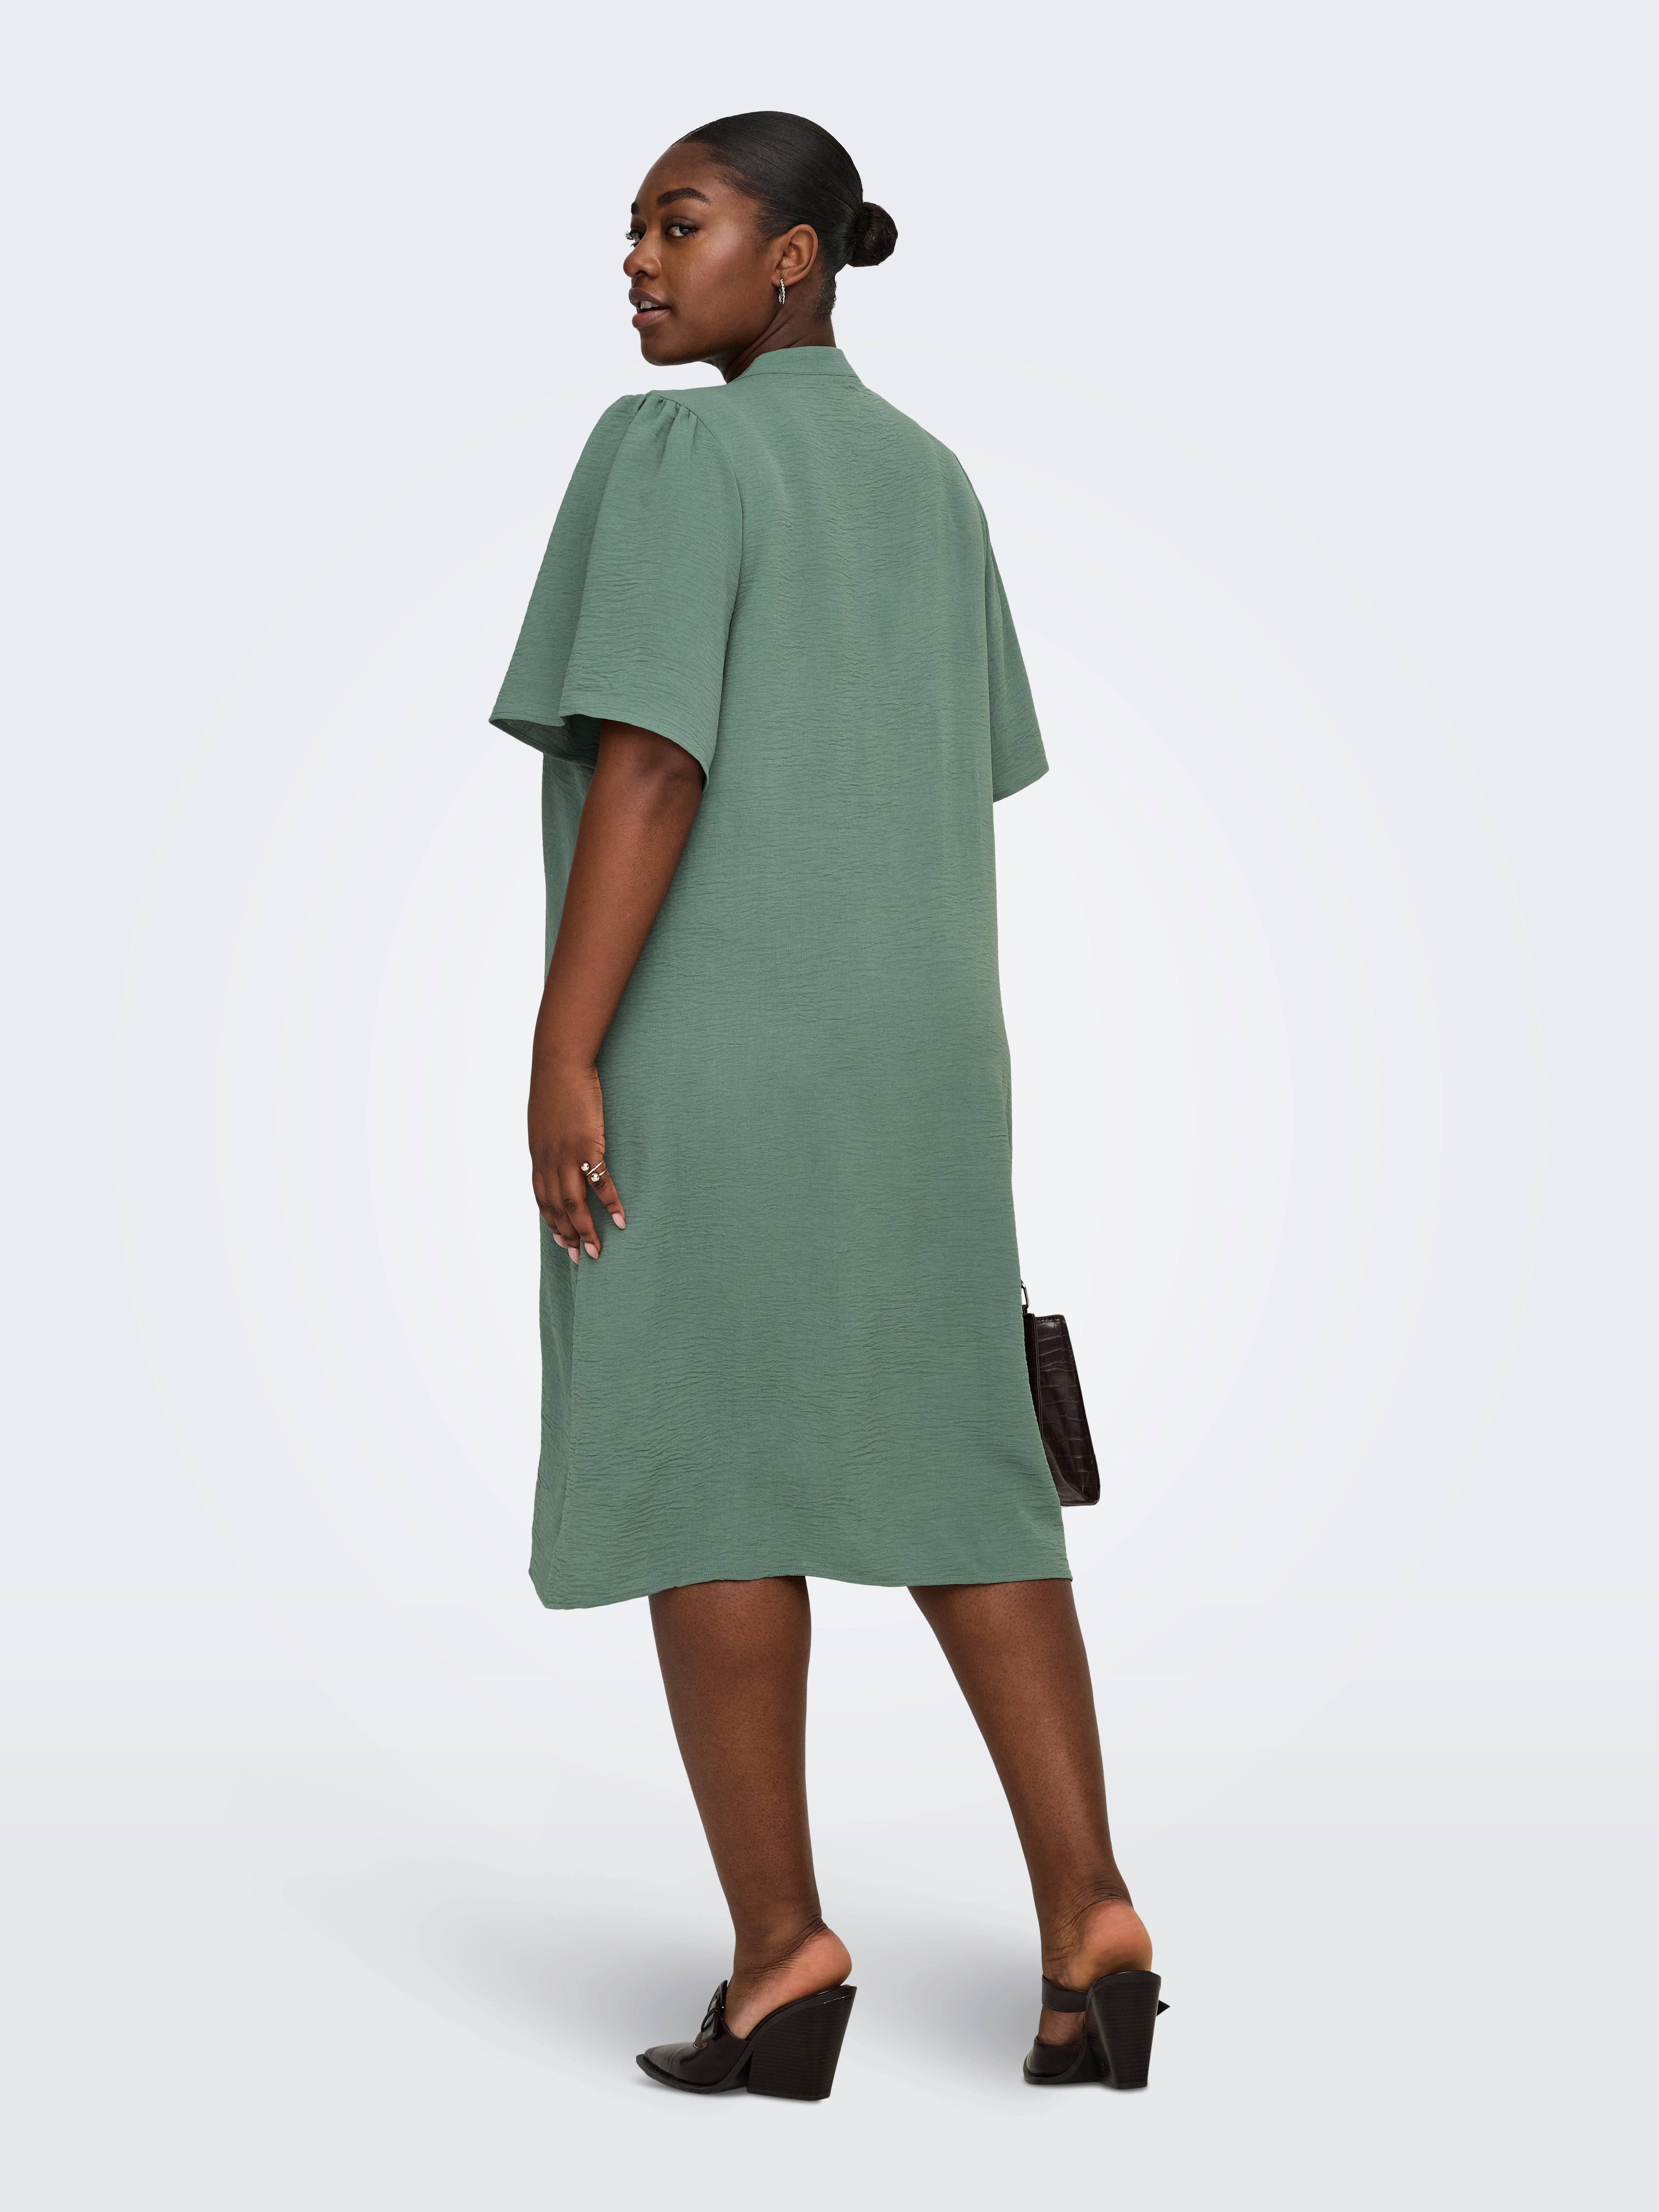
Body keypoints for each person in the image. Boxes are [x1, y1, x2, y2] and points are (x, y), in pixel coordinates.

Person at [489, 110, 1162, 2099]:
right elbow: (960, 765)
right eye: (630, 229)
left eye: (677, 223)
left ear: (790, 258)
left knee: (707, 1456)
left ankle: (781, 1963)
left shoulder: (676, 454)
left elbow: (652, 765)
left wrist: (564, 1044)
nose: (637, 259)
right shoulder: (929, 479)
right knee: (962, 1461)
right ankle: (1093, 1926)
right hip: (929, 1061)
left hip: (720, 1040)